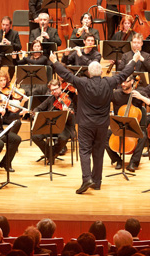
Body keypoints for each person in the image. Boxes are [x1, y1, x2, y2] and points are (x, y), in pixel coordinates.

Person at [49, 50, 142, 194]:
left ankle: (87, 179)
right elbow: (124, 74)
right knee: (98, 152)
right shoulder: (108, 82)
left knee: (84, 151)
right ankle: (97, 182)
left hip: (86, 124)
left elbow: (67, 75)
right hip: (102, 124)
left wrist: (55, 61)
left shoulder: (82, 83)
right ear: (100, 72)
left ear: (90, 73)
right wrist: (134, 60)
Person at [105, 75, 150, 172]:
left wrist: (141, 97)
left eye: (126, 82)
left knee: (143, 136)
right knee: (103, 135)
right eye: (122, 82)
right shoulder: (115, 94)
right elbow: (102, 100)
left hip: (133, 128)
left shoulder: (139, 93)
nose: (123, 84)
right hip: (119, 127)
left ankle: (133, 162)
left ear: (132, 82)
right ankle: (118, 160)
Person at [31, 80, 76, 165]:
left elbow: (72, 119)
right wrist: (36, 116)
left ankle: (51, 154)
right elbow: (37, 108)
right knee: (35, 136)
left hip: (64, 127)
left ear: (60, 87)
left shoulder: (68, 100)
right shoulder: (50, 99)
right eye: (52, 90)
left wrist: (67, 112)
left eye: (55, 89)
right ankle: (51, 155)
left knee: (63, 138)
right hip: (50, 126)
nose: (54, 92)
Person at [0, 69, 28, 135]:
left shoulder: (8, 91)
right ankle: (11, 137)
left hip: (8, 113)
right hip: (0, 115)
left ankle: (11, 137)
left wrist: (23, 101)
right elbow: (11, 109)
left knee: (16, 117)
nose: (3, 82)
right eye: (1, 80)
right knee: (16, 119)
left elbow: (14, 108)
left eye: (4, 80)